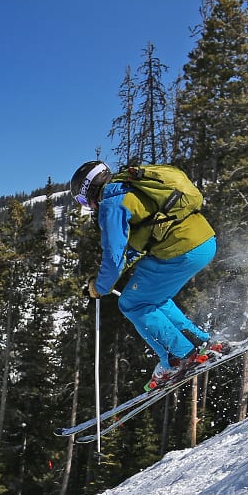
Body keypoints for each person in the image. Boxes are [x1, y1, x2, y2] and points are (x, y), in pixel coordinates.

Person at [70, 160, 225, 390]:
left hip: (180, 250)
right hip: (204, 242)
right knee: (153, 298)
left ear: (90, 190)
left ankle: (178, 357)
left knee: (131, 303)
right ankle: (201, 341)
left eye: (83, 201)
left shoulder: (112, 204)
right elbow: (134, 247)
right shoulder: (132, 185)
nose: (89, 206)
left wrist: (99, 288)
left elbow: (114, 257)